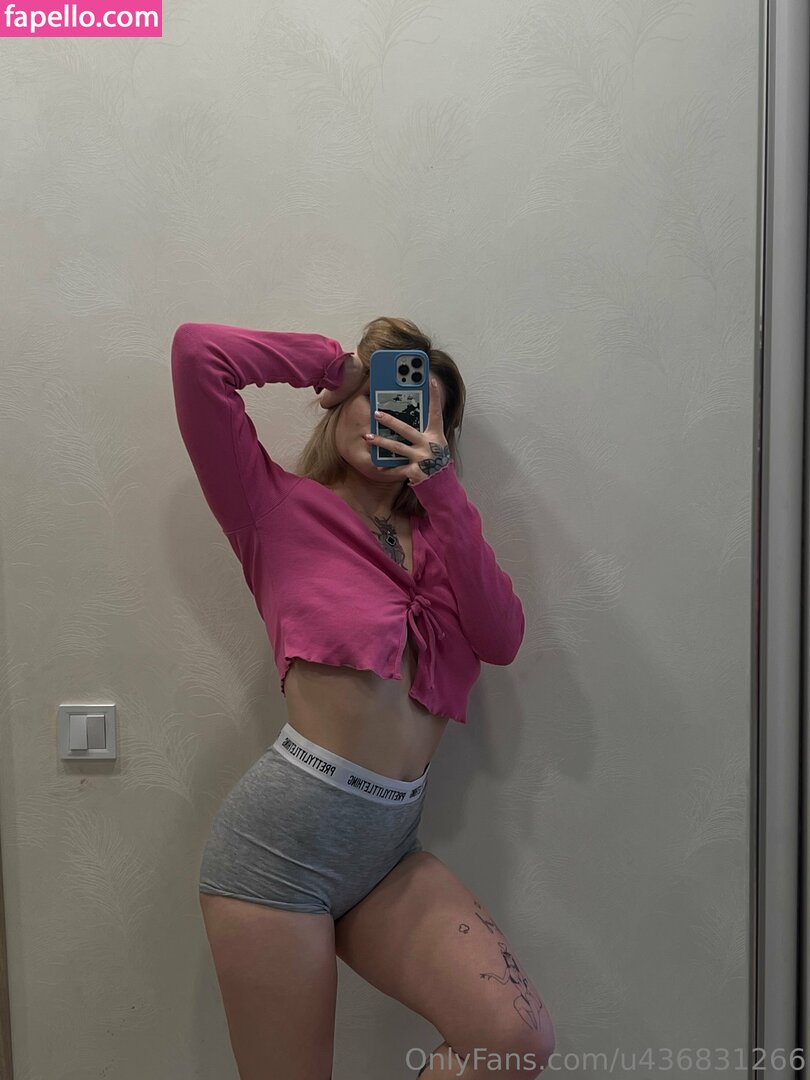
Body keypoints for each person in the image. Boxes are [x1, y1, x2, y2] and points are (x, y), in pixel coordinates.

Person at [170, 316, 555, 1079]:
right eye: (377, 394)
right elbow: (197, 354)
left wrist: (439, 486)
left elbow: (502, 637)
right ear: (343, 401)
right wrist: (333, 365)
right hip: (279, 851)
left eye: (415, 409)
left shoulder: (443, 541)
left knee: (514, 1040)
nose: (389, 415)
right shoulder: (273, 507)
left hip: (389, 850)